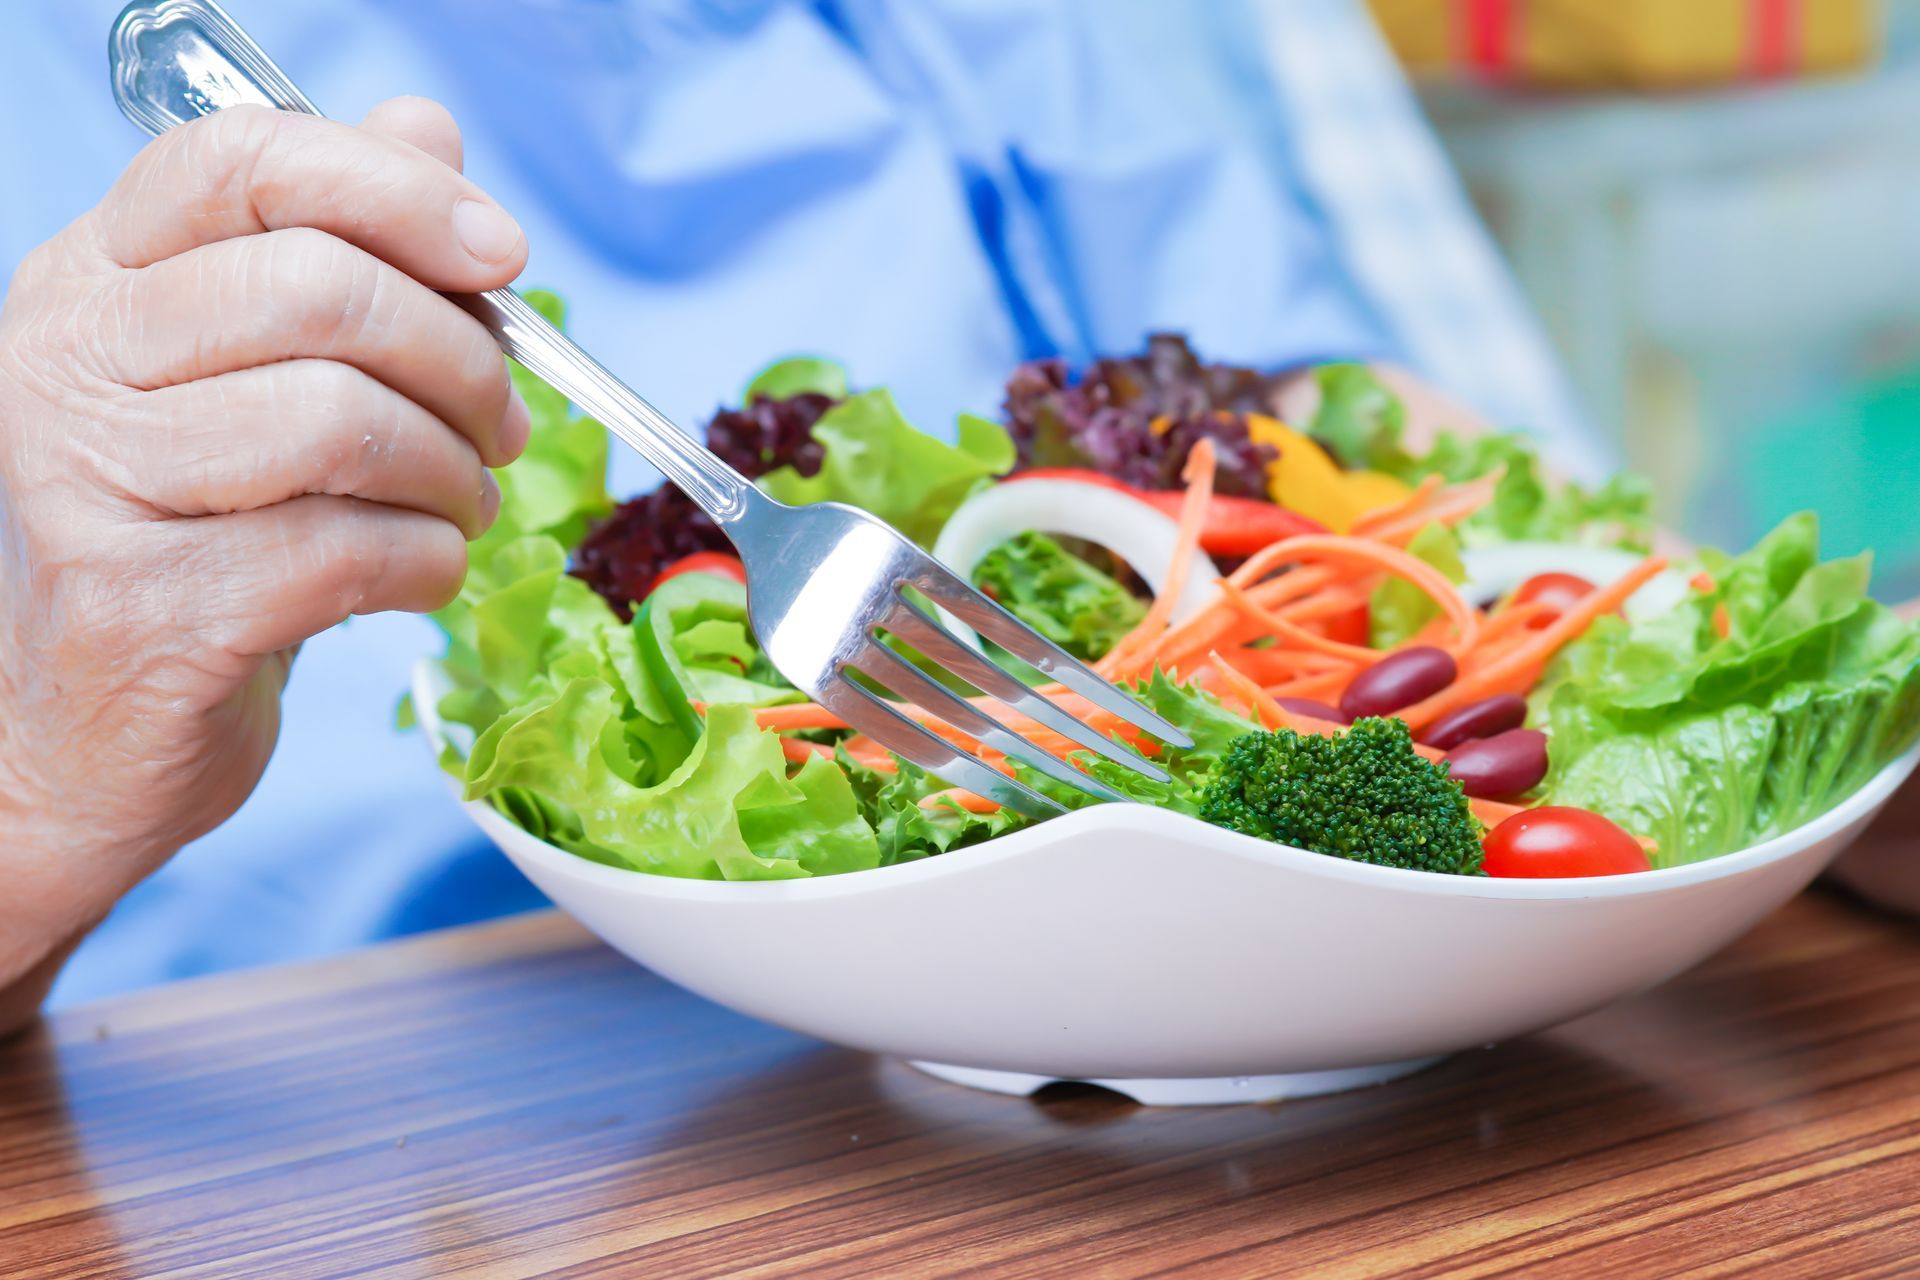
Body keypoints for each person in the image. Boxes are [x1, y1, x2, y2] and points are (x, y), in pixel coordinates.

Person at [0, 0, 1906, 1035]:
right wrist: (43, 785)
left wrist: (1781, 706)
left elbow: (1342, 433)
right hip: (273, 1130)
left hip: (1179, 1068)